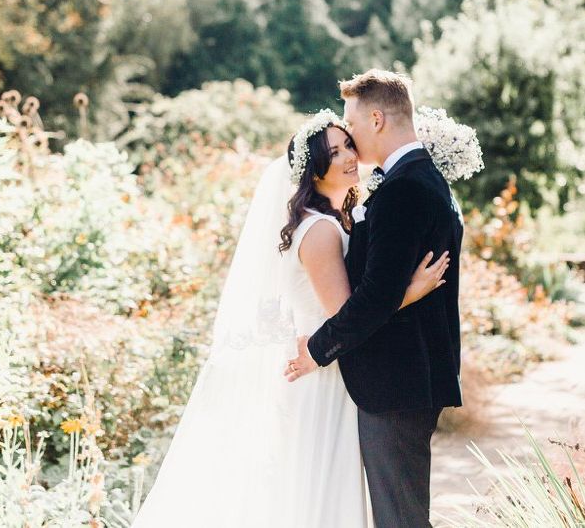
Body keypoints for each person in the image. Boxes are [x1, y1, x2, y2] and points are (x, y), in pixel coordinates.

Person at [130, 100, 448, 528]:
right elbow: (344, 311)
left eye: (349, 145)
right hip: (322, 375)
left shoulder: (338, 220)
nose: (350, 156)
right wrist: (411, 291)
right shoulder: (319, 231)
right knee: (317, 495)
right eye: (335, 152)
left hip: (338, 369)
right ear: (314, 169)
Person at [285, 69, 464, 528]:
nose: (351, 136)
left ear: (377, 119)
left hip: (396, 382)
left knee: (400, 519)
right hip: (401, 379)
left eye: (353, 123)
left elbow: (373, 297)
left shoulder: (404, 188)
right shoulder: (414, 179)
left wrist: (317, 351)